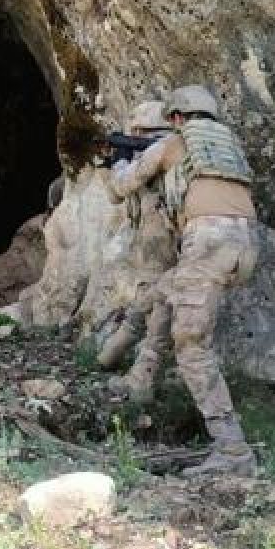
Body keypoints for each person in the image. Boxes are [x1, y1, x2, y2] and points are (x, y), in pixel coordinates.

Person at [108, 85, 260, 476]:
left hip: (207, 241)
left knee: (191, 345)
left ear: (176, 118)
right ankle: (129, 353)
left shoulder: (175, 143)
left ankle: (232, 450)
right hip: (244, 243)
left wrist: (119, 162)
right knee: (166, 292)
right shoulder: (229, 145)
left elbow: (122, 187)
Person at [97, 101, 176, 396]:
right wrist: (117, 160)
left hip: (161, 238)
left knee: (157, 300)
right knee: (149, 297)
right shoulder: (163, 153)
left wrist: (120, 164)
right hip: (163, 236)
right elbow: (117, 197)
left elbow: (120, 189)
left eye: (139, 132)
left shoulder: (161, 151)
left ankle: (142, 377)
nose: (136, 135)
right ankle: (112, 356)